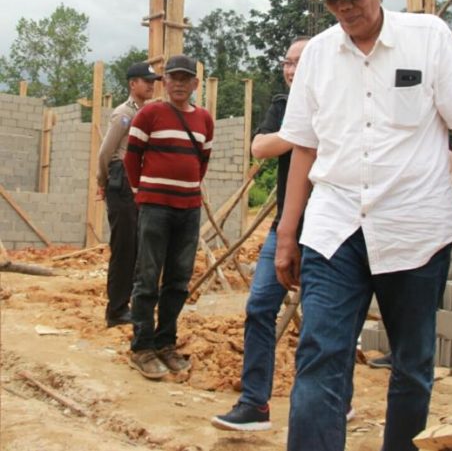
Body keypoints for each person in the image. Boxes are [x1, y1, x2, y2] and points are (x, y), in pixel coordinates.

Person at [274, 0, 452, 451]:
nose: (345, 6)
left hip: (415, 229)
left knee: (412, 365)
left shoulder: (429, 37)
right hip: (336, 229)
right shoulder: (317, 57)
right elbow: (303, 148)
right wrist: (289, 232)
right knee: (321, 354)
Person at [211, 36, 309, 431]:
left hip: (329, 229)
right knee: (259, 308)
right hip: (283, 228)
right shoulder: (283, 106)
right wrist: (301, 134)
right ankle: (255, 404)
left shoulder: (341, 102)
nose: (290, 69)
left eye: (299, 62)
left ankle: (334, 401)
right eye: (287, 62)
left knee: (324, 322)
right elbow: (260, 147)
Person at [123, 54, 214, 380]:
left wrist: (185, 190)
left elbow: (201, 162)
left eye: (184, 78)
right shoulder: (150, 114)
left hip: (188, 210)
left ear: (194, 84)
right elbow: (132, 158)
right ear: (164, 82)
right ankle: (142, 348)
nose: (177, 83)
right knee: (147, 279)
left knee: (177, 281)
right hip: (155, 208)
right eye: (172, 77)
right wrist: (141, 192)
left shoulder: (204, 119)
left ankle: (166, 344)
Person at [97, 61, 161, 328]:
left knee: (136, 247)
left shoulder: (148, 112)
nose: (151, 85)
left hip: (137, 181)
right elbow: (105, 152)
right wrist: (104, 181)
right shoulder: (124, 113)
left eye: (153, 81)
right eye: (146, 81)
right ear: (132, 84)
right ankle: (116, 311)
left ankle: (129, 305)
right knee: (124, 248)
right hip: (121, 179)